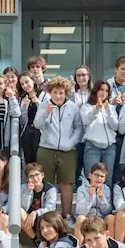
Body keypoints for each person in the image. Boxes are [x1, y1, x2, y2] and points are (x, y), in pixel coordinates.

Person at [34, 76, 82, 222]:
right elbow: (37, 124)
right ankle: (47, 217)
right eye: (55, 92)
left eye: (61, 93)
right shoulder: (44, 104)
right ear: (51, 92)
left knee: (66, 184)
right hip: (46, 149)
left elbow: (79, 127)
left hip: (68, 152)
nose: (58, 96)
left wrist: (70, 143)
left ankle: (66, 216)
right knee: (46, 183)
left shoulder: (73, 107)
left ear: (66, 93)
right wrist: (46, 112)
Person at [80, 80, 119, 186]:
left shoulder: (110, 107)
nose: (104, 93)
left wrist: (108, 110)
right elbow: (86, 121)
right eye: (101, 89)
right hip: (93, 147)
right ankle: (90, 202)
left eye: (106, 91)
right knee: (92, 179)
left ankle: (105, 202)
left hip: (110, 147)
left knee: (107, 179)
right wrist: (96, 109)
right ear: (96, 91)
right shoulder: (86, 107)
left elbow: (115, 126)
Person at [74, 162, 112, 246]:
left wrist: (101, 197)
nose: (99, 178)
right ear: (90, 175)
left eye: (102, 176)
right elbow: (81, 212)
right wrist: (90, 197)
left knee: (111, 218)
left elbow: (107, 211)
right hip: (87, 217)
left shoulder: (106, 189)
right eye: (96, 175)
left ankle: (109, 247)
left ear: (104, 179)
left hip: (100, 218)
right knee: (80, 218)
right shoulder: (82, 189)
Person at [20, 162, 57, 242]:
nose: (35, 178)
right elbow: (23, 208)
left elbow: (51, 208)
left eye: (37, 174)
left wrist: (35, 213)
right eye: (31, 176)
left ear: (42, 175)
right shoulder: (23, 188)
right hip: (27, 220)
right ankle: (36, 240)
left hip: (43, 218)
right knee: (19, 212)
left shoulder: (50, 189)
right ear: (27, 179)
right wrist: (29, 192)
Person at [70, 64, 92, 186]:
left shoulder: (94, 92)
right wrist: (72, 90)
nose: (81, 78)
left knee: (89, 168)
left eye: (84, 75)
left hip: (91, 134)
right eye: (78, 75)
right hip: (76, 135)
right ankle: (78, 192)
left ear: (89, 77)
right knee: (77, 166)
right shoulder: (74, 92)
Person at [19, 71, 43, 164]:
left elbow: (46, 113)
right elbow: (22, 120)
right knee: (29, 162)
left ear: (33, 81)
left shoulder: (43, 95)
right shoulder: (22, 98)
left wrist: (36, 101)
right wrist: (24, 107)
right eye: (22, 84)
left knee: (40, 161)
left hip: (40, 132)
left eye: (27, 82)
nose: (25, 85)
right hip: (27, 132)